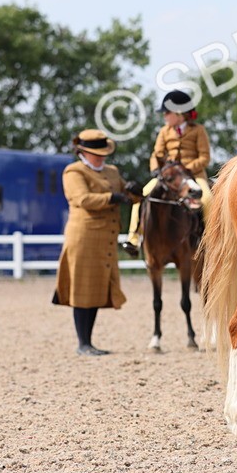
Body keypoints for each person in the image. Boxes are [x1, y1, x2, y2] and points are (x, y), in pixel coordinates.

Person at [53, 129, 142, 355]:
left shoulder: (112, 171)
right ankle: (83, 343)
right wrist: (111, 198)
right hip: (84, 236)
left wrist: (134, 191)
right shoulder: (74, 171)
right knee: (82, 289)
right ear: (82, 152)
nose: (101, 158)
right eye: (96, 154)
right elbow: (82, 199)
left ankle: (88, 342)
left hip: (105, 239)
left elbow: (128, 194)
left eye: (103, 153)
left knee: (95, 290)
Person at [124, 90, 212, 256]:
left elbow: (204, 157)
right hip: (168, 177)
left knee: (207, 199)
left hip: (194, 176)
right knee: (141, 196)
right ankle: (133, 239)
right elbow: (156, 154)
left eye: (167, 112)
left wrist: (186, 170)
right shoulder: (164, 131)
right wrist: (157, 170)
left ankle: (212, 241)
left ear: (179, 114)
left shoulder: (198, 130)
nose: (164, 116)